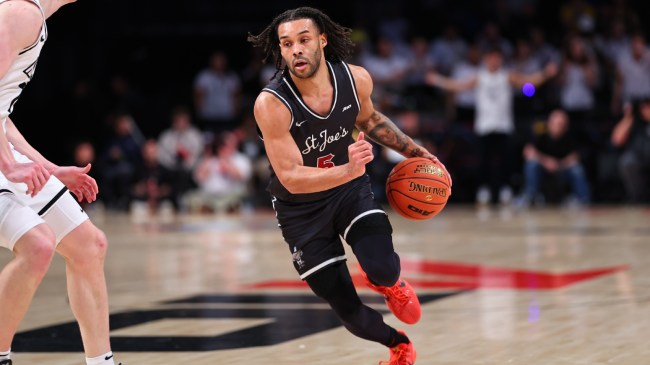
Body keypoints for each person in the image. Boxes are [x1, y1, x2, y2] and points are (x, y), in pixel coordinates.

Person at [248, 7, 447, 365]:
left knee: (383, 266)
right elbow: (290, 175)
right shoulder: (271, 103)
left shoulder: (355, 79)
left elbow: (369, 119)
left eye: (303, 40)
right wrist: (349, 168)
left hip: (348, 192)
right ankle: (398, 345)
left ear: (322, 40)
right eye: (286, 43)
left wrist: (414, 151)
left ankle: (390, 284)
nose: (295, 50)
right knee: (349, 312)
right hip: (300, 209)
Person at [0, 1, 120, 365]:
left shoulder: (31, 16)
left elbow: (1, 113)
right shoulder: (21, 13)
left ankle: (101, 363)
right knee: (38, 246)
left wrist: (47, 168)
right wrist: (8, 164)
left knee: (89, 245)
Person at [427, 47, 557, 206]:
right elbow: (458, 86)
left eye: (497, 58)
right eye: (491, 58)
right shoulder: (480, 76)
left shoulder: (507, 75)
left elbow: (527, 81)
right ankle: (484, 190)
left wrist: (545, 73)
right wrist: (437, 80)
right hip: (484, 126)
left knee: (505, 161)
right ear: (486, 59)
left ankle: (505, 189)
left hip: (503, 125)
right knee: (483, 161)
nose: (494, 61)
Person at [515, 109, 591, 208]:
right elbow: (527, 151)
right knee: (531, 164)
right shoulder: (540, 132)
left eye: (562, 125)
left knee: (576, 169)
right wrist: (546, 162)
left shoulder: (570, 136)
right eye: (556, 124)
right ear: (549, 123)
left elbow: (576, 155)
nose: (559, 128)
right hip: (543, 167)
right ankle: (531, 197)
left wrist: (560, 164)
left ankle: (583, 199)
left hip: (562, 168)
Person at [187, 132, 252, 213]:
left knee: (234, 202)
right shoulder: (210, 159)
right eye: (225, 144)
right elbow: (199, 178)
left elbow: (241, 177)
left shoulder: (241, 159)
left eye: (231, 144)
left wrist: (228, 163)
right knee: (192, 198)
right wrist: (208, 160)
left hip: (231, 196)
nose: (227, 147)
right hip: (209, 196)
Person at [156, 106, 204, 208]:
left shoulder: (195, 135)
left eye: (183, 121)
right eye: (178, 121)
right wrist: (174, 158)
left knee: (188, 174)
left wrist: (186, 156)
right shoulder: (166, 136)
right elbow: (161, 156)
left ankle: (186, 200)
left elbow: (198, 155)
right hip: (170, 170)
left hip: (189, 170)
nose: (181, 123)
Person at [611, 98, 650, 204]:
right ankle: (637, 200)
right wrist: (628, 117)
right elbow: (616, 140)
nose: (647, 109)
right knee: (627, 161)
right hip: (639, 158)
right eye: (644, 106)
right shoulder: (635, 121)